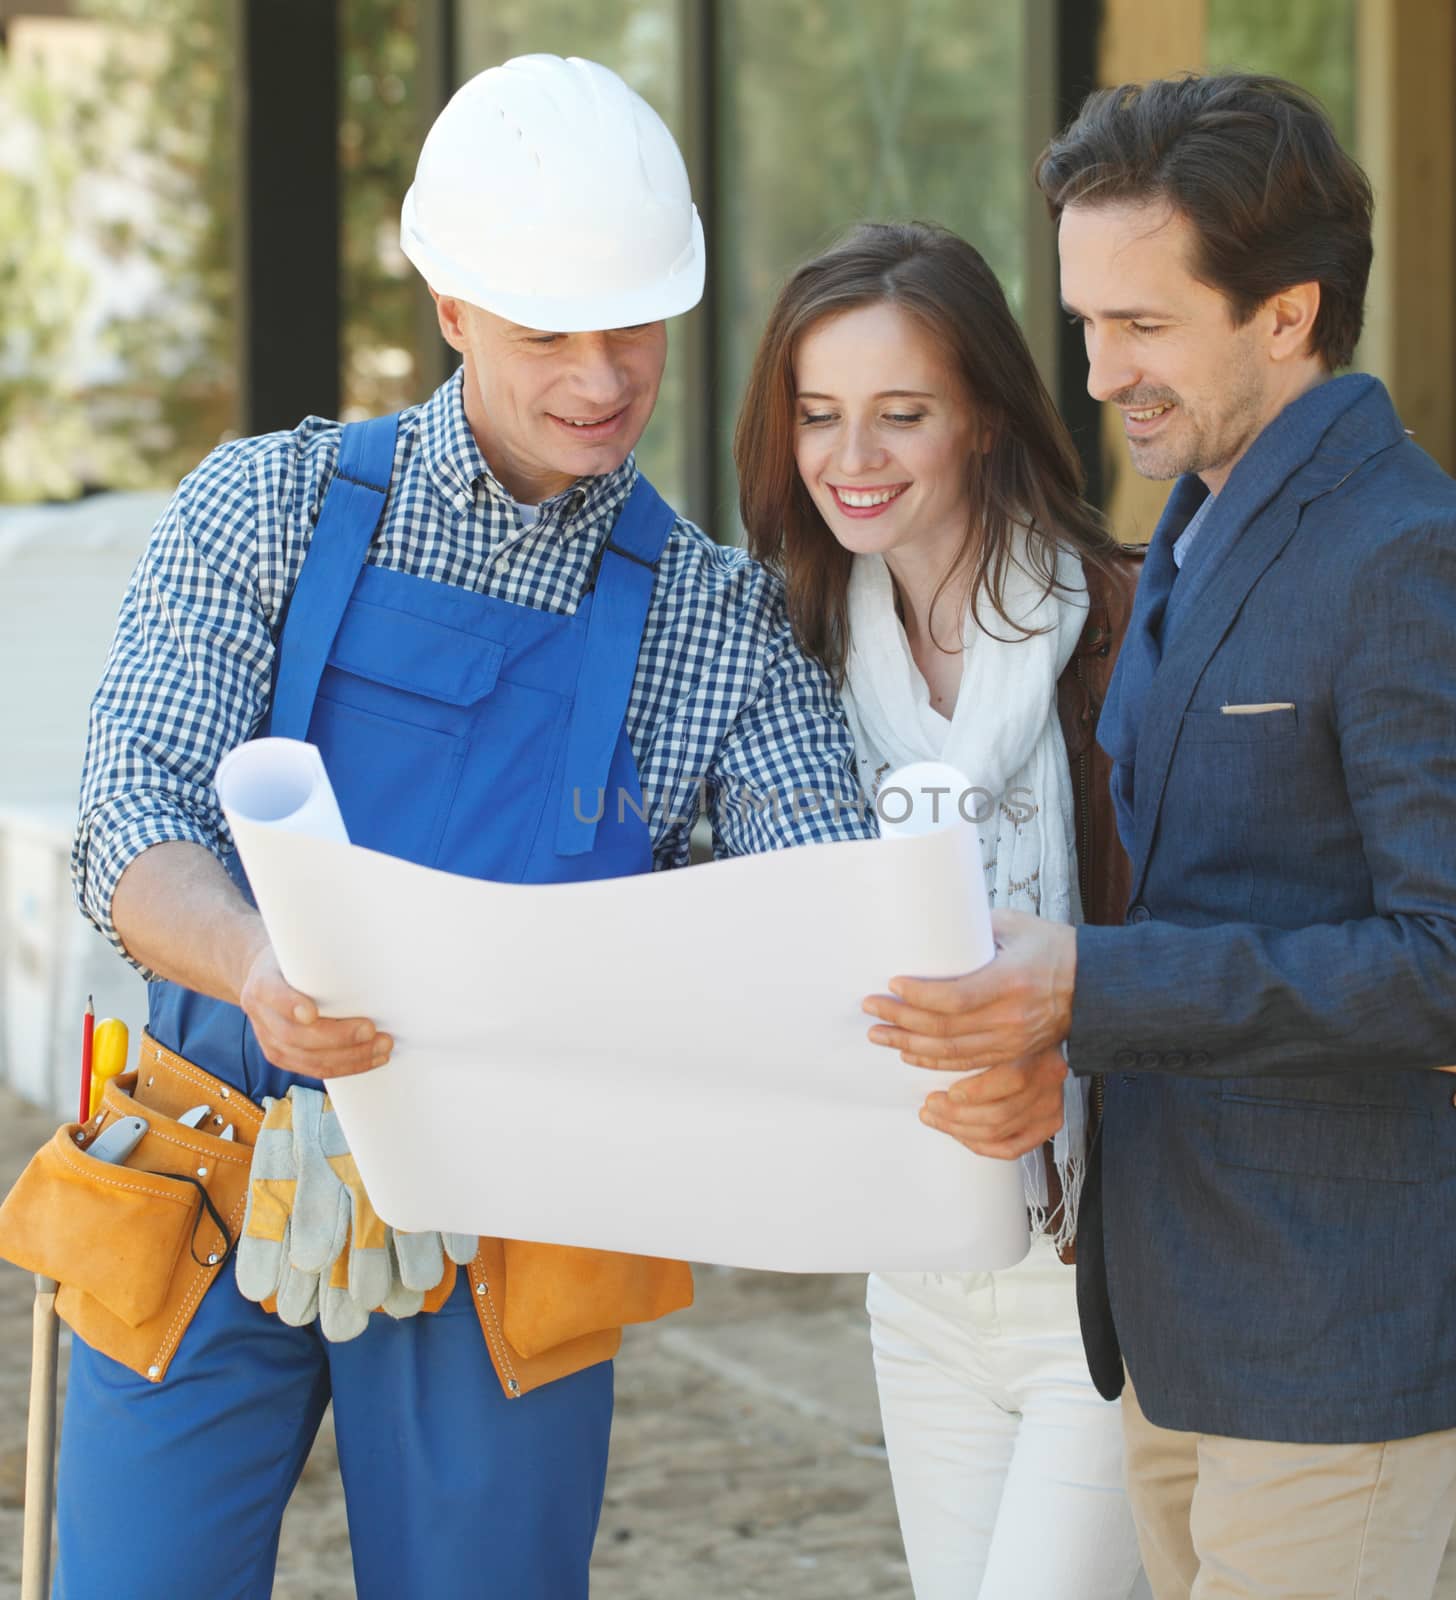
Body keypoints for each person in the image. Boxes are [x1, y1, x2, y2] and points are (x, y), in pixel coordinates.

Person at [39, 55, 873, 1600]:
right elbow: (134, 820)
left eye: (634, 324)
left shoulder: (714, 623)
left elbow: (815, 902)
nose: (603, 372)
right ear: (451, 309)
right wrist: (256, 965)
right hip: (211, 1161)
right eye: (549, 328)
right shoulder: (263, 509)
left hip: (516, 1215)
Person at [859, 75, 1456, 1600]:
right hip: (1180, 1332)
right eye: (1087, 320)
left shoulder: (1417, 560)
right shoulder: (1188, 532)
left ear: (1289, 315)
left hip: (1338, 1334)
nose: (1100, 368)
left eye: (1143, 325)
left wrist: (1087, 988)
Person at [736, 219, 1149, 1598]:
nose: (852, 460)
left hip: (1110, 1277)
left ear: (980, 415)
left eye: (900, 414)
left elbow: (1208, 939)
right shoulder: (789, 656)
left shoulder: (1128, 631)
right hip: (914, 1276)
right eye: (819, 416)